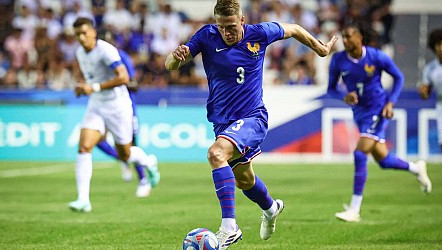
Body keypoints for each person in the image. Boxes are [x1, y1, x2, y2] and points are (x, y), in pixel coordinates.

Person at [165, 0, 338, 248]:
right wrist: (175, 57)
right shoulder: (206, 36)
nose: (227, 32)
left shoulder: (260, 33)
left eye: (232, 26)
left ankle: (229, 228)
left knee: (216, 154)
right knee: (244, 181)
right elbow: (169, 66)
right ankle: (271, 208)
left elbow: (295, 29)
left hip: (252, 118)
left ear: (242, 20)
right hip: (222, 122)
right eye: (222, 27)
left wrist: (319, 49)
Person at [327, 23, 432, 223]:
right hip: (359, 113)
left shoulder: (376, 56)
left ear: (360, 38)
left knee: (360, 153)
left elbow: (398, 77)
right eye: (344, 36)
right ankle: (416, 168)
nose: (345, 40)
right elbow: (331, 89)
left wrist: (391, 103)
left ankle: (354, 209)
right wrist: (343, 96)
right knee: (383, 160)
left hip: (378, 109)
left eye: (349, 36)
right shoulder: (338, 60)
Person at [68, 17, 159, 213]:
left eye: (84, 33)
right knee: (84, 146)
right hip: (96, 104)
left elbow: (124, 77)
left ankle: (149, 161)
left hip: (118, 106)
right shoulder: (79, 53)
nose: (81, 38)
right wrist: (83, 88)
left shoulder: (106, 50)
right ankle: (83, 199)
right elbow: (93, 78)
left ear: (93, 32)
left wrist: (94, 87)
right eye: (77, 35)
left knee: (125, 154)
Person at [95, 29, 160, 198]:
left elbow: (133, 85)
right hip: (102, 104)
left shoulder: (121, 57)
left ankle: (143, 179)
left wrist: (112, 83)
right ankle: (125, 159)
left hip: (124, 106)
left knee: (131, 143)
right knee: (96, 139)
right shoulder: (94, 59)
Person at [418, 28, 442, 151]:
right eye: (439, 44)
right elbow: (425, 95)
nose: (441, 48)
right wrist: (423, 92)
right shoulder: (430, 69)